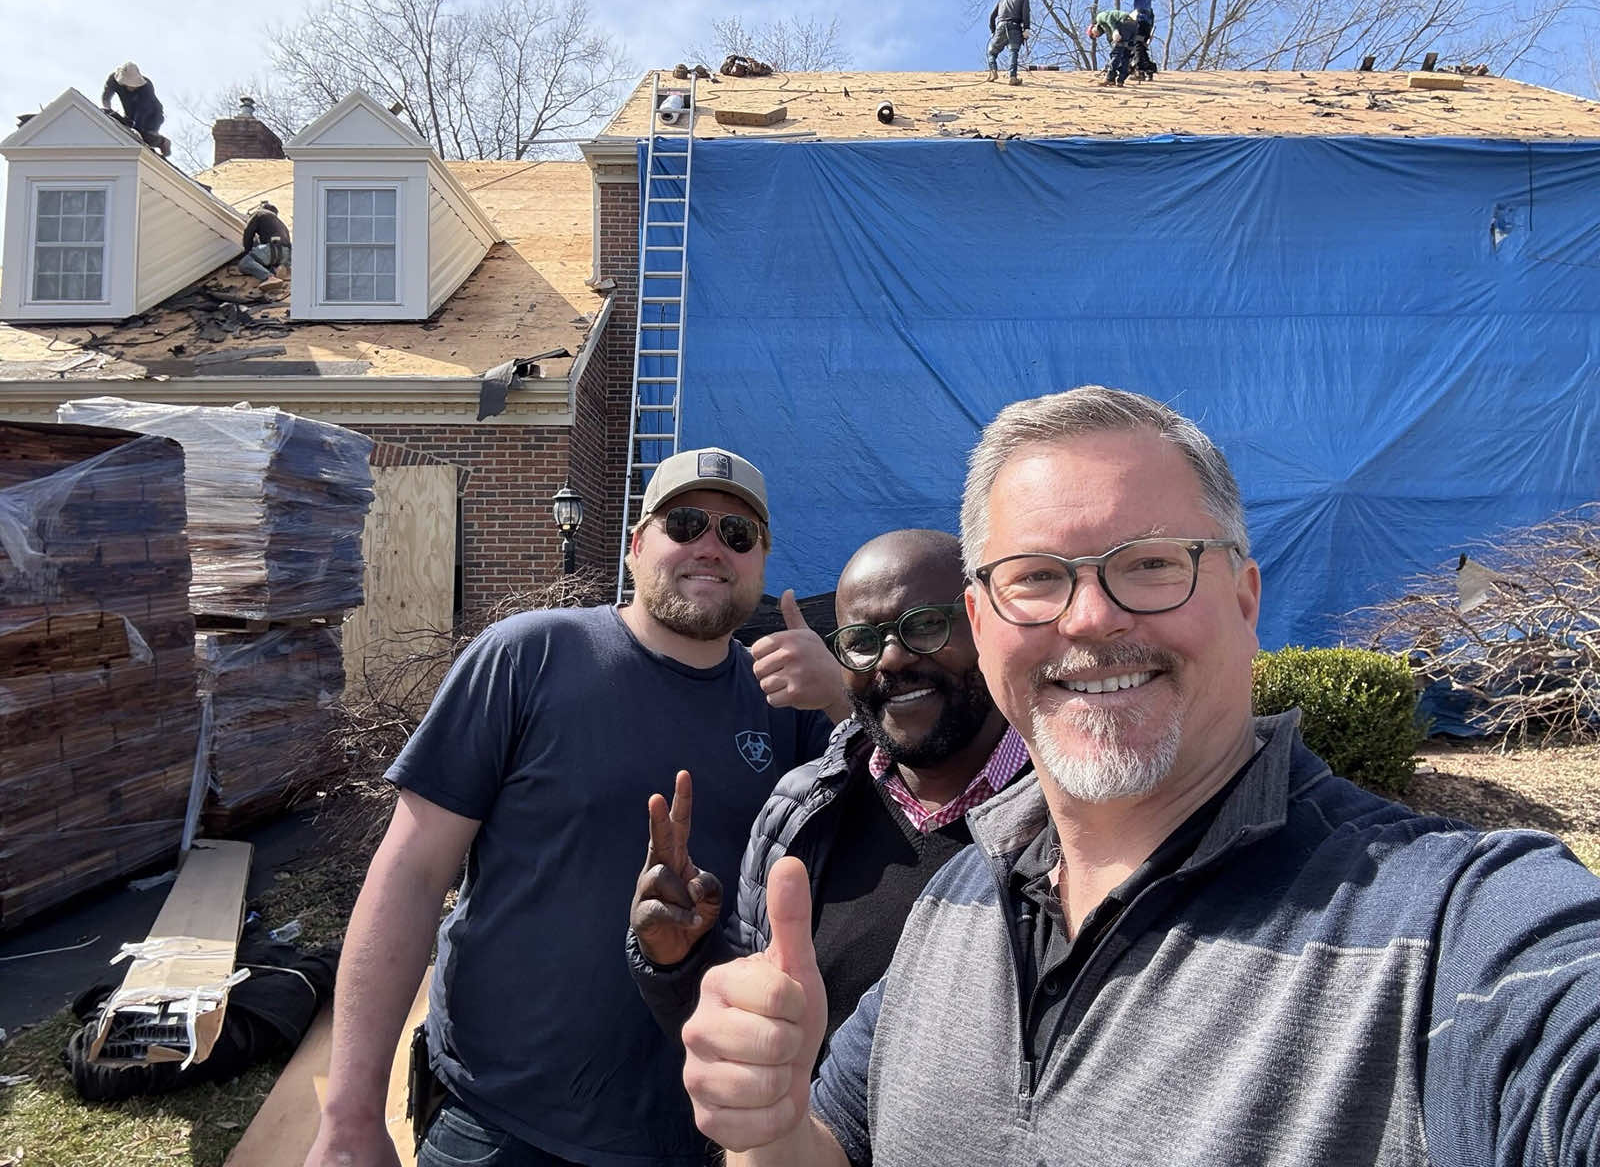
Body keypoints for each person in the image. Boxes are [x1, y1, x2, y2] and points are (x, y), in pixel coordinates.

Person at [679, 385, 1600, 1166]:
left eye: (1152, 564)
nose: (1090, 619)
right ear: (986, 623)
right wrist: (773, 1129)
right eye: (1036, 578)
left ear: (1245, 600)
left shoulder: (1447, 929)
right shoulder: (956, 900)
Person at [303, 445, 849, 1167]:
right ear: (636, 545)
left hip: (700, 1137)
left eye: (738, 534)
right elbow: (410, 874)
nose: (711, 547)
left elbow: (912, 823)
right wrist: (349, 1115)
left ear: (761, 561)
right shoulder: (528, 657)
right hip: (499, 1125)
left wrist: (844, 696)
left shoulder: (790, 705)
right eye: (685, 524)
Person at [628, 529, 1029, 1063]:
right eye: (861, 640)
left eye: (925, 625)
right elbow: (748, 1036)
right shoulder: (798, 811)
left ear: (987, 624)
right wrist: (679, 959)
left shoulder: (1067, 822)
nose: (891, 659)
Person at [100, 61, 170, 157]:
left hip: (152, 115)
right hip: (131, 112)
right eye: (130, 85)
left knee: (143, 136)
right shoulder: (113, 80)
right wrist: (108, 110)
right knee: (124, 126)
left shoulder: (146, 87)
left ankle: (163, 142)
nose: (133, 87)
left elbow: (142, 112)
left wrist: (134, 130)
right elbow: (106, 98)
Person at [237, 201, 291, 293]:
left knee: (244, 263)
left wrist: (247, 252)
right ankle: (279, 268)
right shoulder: (281, 224)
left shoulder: (259, 213)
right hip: (285, 253)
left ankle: (270, 278)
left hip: (272, 248)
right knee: (267, 257)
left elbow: (248, 233)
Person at [986, 0, 1032, 85]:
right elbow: (1025, 14)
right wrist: (1026, 29)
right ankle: (1013, 77)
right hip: (1015, 27)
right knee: (1013, 51)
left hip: (1000, 27)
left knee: (991, 52)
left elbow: (992, 16)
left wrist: (993, 31)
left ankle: (993, 71)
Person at [1119, 0, 1158, 80]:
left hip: (1142, 21)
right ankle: (1149, 68)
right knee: (1140, 45)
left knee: (1137, 44)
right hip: (1142, 21)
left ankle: (1141, 70)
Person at [1087, 10, 1141, 87]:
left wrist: (1115, 31)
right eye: (1095, 37)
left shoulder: (1099, 17)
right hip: (1134, 26)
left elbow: (1109, 18)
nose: (1096, 36)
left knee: (1116, 53)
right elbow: (1111, 41)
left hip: (1124, 23)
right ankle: (1120, 80)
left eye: (1093, 34)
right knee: (1126, 54)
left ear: (1093, 27)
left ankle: (1109, 78)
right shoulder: (1107, 30)